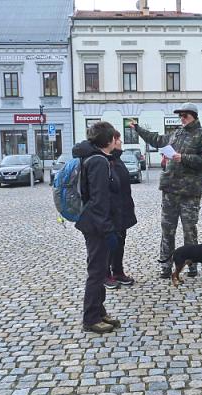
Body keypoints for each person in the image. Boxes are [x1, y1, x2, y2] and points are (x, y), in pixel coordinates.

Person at [129, 104, 202, 279]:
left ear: (194, 116)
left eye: (185, 116)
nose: (182, 118)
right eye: (180, 116)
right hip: (170, 189)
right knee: (167, 229)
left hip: (189, 192)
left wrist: (183, 158)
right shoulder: (177, 133)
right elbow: (157, 139)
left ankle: (191, 266)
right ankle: (165, 265)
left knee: (189, 229)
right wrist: (138, 129)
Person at [72, 121, 121, 334]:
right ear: (109, 140)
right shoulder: (98, 162)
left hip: (92, 222)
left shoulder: (92, 157)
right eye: (114, 138)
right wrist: (107, 229)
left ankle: (99, 311)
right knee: (96, 272)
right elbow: (100, 199)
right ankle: (91, 318)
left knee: (99, 269)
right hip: (97, 225)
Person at [104, 131, 137, 290]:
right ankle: (105, 274)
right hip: (111, 212)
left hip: (122, 210)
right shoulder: (105, 160)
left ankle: (117, 271)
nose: (120, 141)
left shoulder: (116, 159)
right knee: (109, 244)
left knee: (119, 243)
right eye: (117, 139)